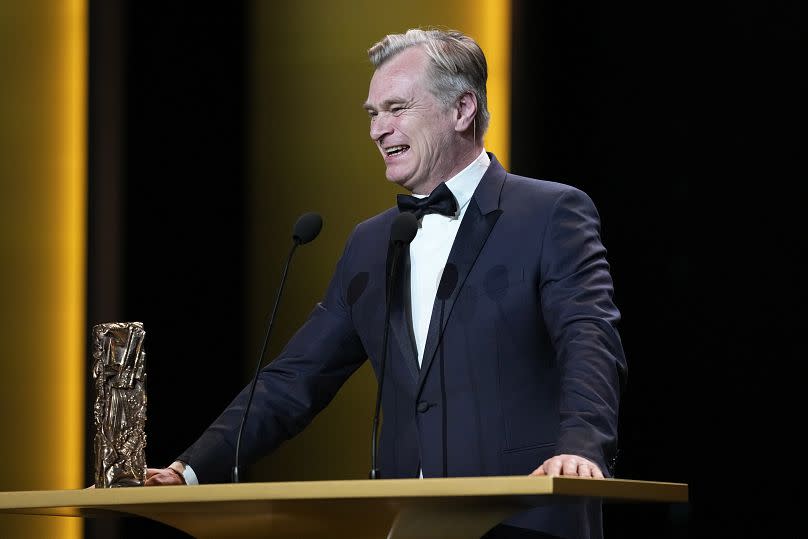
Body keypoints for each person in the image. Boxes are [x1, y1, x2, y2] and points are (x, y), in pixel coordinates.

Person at [146, 28, 627, 539]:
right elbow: (295, 379)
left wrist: (580, 446)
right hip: (406, 522)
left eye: (397, 109)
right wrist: (188, 469)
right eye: (372, 114)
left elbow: (589, 335)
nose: (378, 130)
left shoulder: (550, 212)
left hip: (526, 516)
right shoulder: (371, 243)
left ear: (462, 109)